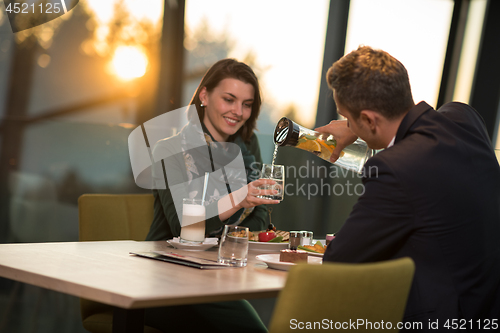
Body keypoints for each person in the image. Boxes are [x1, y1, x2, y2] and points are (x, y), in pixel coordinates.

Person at [317, 46, 500, 330]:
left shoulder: (394, 168)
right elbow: (445, 114)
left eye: (348, 118)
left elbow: (340, 260)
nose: (346, 124)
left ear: (369, 119)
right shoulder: (464, 120)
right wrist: (358, 127)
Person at [144, 58, 277, 332]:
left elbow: (261, 215)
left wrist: (225, 241)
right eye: (229, 99)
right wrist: (239, 200)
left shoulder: (247, 147)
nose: (238, 112)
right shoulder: (169, 150)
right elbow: (183, 226)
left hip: (225, 271)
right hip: (169, 275)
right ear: (204, 95)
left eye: (247, 104)